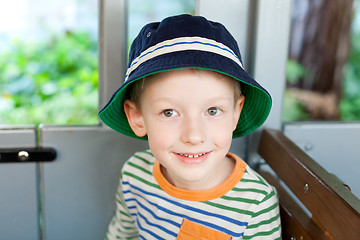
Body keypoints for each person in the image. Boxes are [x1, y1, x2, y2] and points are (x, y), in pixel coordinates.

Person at [99, 14, 281, 240]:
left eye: (213, 111)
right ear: (137, 118)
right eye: (169, 112)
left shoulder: (255, 203)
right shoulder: (135, 176)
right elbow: (121, 236)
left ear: (236, 113)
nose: (194, 136)